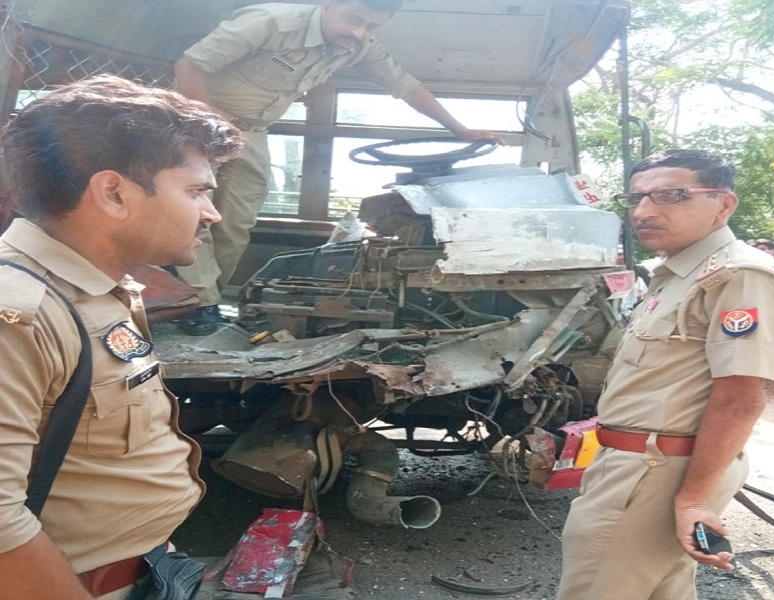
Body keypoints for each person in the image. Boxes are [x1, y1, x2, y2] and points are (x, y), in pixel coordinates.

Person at [0, 75, 243, 599]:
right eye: (197, 191)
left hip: (145, 570)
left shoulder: (96, 288)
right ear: (113, 193)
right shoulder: (19, 313)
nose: (212, 213)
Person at [173, 0, 506, 334]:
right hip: (199, 122)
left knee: (236, 224)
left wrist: (458, 129)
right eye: (354, 19)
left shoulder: (356, 45)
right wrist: (206, 127)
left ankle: (206, 300)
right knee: (193, 217)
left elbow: (405, 85)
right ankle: (200, 305)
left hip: (251, 133)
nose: (358, 32)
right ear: (330, 5)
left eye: (371, 26)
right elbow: (191, 65)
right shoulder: (271, 22)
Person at [556, 149, 774, 600]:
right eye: (635, 198)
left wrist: (693, 499)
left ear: (723, 204)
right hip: (640, 463)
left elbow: (741, 398)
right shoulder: (676, 271)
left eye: (670, 196)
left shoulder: (740, 276)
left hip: (656, 471)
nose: (644, 211)